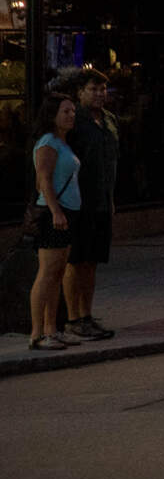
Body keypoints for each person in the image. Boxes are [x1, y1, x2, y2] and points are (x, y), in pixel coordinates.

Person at [57, 67, 118, 341]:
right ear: (80, 93)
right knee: (76, 260)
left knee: (91, 261)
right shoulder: (75, 122)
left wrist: (111, 198)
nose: (99, 94)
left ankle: (87, 314)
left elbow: (111, 164)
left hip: (101, 201)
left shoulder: (108, 121)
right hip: (78, 202)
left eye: (102, 89)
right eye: (93, 89)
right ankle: (73, 318)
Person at [25, 94, 82, 351]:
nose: (71, 116)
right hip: (53, 214)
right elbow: (44, 180)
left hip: (67, 212)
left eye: (72, 111)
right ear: (52, 115)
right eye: (65, 112)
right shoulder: (48, 143)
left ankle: (52, 329)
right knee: (47, 273)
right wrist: (56, 211)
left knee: (58, 273)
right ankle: (37, 334)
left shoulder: (63, 142)